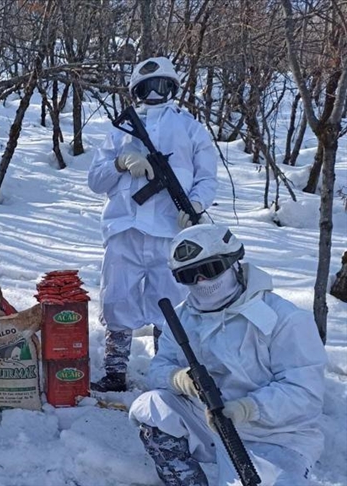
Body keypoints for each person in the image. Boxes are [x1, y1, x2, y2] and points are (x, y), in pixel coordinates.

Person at [129, 224, 326, 485]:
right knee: (152, 406)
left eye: (210, 270)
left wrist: (248, 408)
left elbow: (305, 392)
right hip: (207, 422)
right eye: (190, 275)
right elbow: (158, 369)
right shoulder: (181, 318)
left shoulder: (285, 319)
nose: (202, 282)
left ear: (233, 263)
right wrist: (179, 378)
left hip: (274, 435)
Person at [87, 57, 219, 392]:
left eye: (162, 86)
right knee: (117, 299)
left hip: (170, 234)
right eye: (148, 87)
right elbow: (95, 179)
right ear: (136, 90)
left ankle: (165, 373)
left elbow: (207, 178)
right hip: (124, 229)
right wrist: (120, 162)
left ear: (173, 88)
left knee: (171, 305)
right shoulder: (120, 131)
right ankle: (115, 370)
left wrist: (196, 206)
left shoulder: (190, 128)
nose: (155, 93)